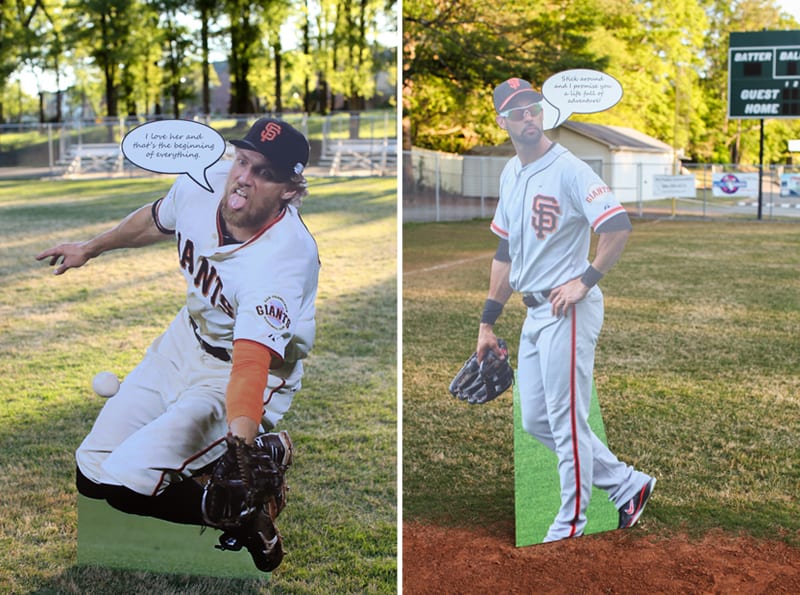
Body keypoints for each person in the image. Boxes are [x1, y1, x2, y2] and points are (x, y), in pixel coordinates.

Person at [36, 117, 320, 571]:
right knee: (92, 473)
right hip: (181, 343)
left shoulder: (284, 260)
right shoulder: (203, 184)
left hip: (245, 373)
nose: (244, 177)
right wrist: (91, 247)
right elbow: (155, 220)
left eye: (265, 172)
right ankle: (255, 464)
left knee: (132, 484)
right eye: (243, 160)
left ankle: (248, 513)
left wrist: (240, 450)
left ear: (290, 189)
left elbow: (250, 363)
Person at [476, 78, 656, 543]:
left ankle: (570, 522)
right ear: (503, 121)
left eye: (533, 108)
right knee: (537, 418)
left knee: (566, 417)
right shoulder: (510, 172)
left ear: (543, 111)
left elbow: (616, 225)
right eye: (517, 112)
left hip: (566, 307)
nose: (528, 117)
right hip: (533, 313)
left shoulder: (570, 168)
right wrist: (487, 321)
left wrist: (586, 280)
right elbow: (504, 250)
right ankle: (626, 485)